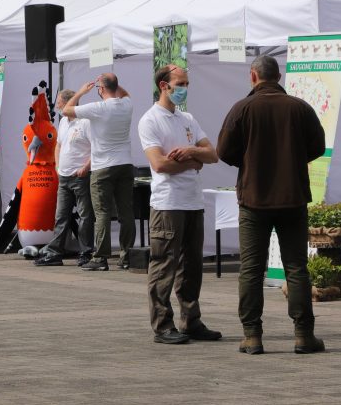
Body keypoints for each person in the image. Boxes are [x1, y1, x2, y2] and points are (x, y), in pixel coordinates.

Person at [217, 55, 326, 356]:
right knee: (297, 268)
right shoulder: (300, 108)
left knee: (251, 269)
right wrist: (291, 160)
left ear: (253, 76)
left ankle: (252, 336)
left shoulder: (242, 108)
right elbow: (317, 146)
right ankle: (303, 334)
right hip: (292, 198)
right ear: (279, 77)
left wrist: (250, 161)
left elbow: (223, 150)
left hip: (253, 200)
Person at [139, 65, 222, 344]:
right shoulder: (150, 120)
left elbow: (212, 154)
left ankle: (191, 320)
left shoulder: (187, 118)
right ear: (164, 85)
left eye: (187, 83)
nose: (185, 88)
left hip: (191, 202)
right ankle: (163, 325)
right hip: (167, 203)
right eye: (180, 83)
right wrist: (193, 162)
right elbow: (160, 164)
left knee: (191, 267)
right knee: (164, 264)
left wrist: (191, 152)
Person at [61, 73, 136, 271]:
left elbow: (66, 110)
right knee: (126, 212)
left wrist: (80, 92)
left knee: (102, 213)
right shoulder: (127, 104)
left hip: (103, 167)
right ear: (116, 86)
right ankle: (127, 256)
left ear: (100, 89)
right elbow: (125, 93)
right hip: (125, 164)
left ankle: (101, 257)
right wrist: (113, 84)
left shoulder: (98, 108)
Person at [34, 89, 95, 267]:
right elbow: (58, 145)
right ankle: (55, 253)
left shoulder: (85, 121)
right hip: (65, 176)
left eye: (60, 102)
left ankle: (86, 251)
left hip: (81, 175)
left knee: (85, 216)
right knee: (61, 216)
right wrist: (58, 166)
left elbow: (96, 147)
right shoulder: (63, 122)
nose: (57, 105)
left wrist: (86, 167)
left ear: (69, 102)